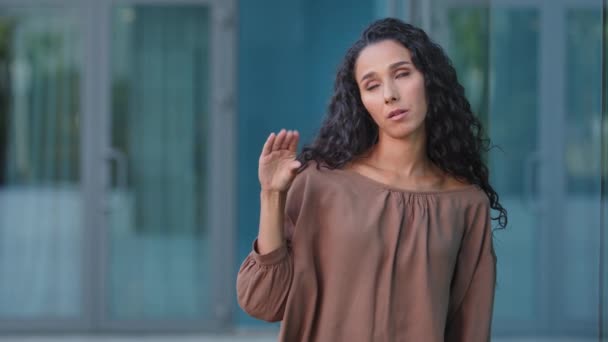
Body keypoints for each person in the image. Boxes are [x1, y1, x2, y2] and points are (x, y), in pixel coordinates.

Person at [236, 17, 507, 341]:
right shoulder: (321, 184)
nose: (390, 94)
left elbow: (471, 328)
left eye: (402, 74)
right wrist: (272, 196)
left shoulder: (466, 204)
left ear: (430, 80)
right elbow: (263, 303)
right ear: (361, 102)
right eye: (372, 84)